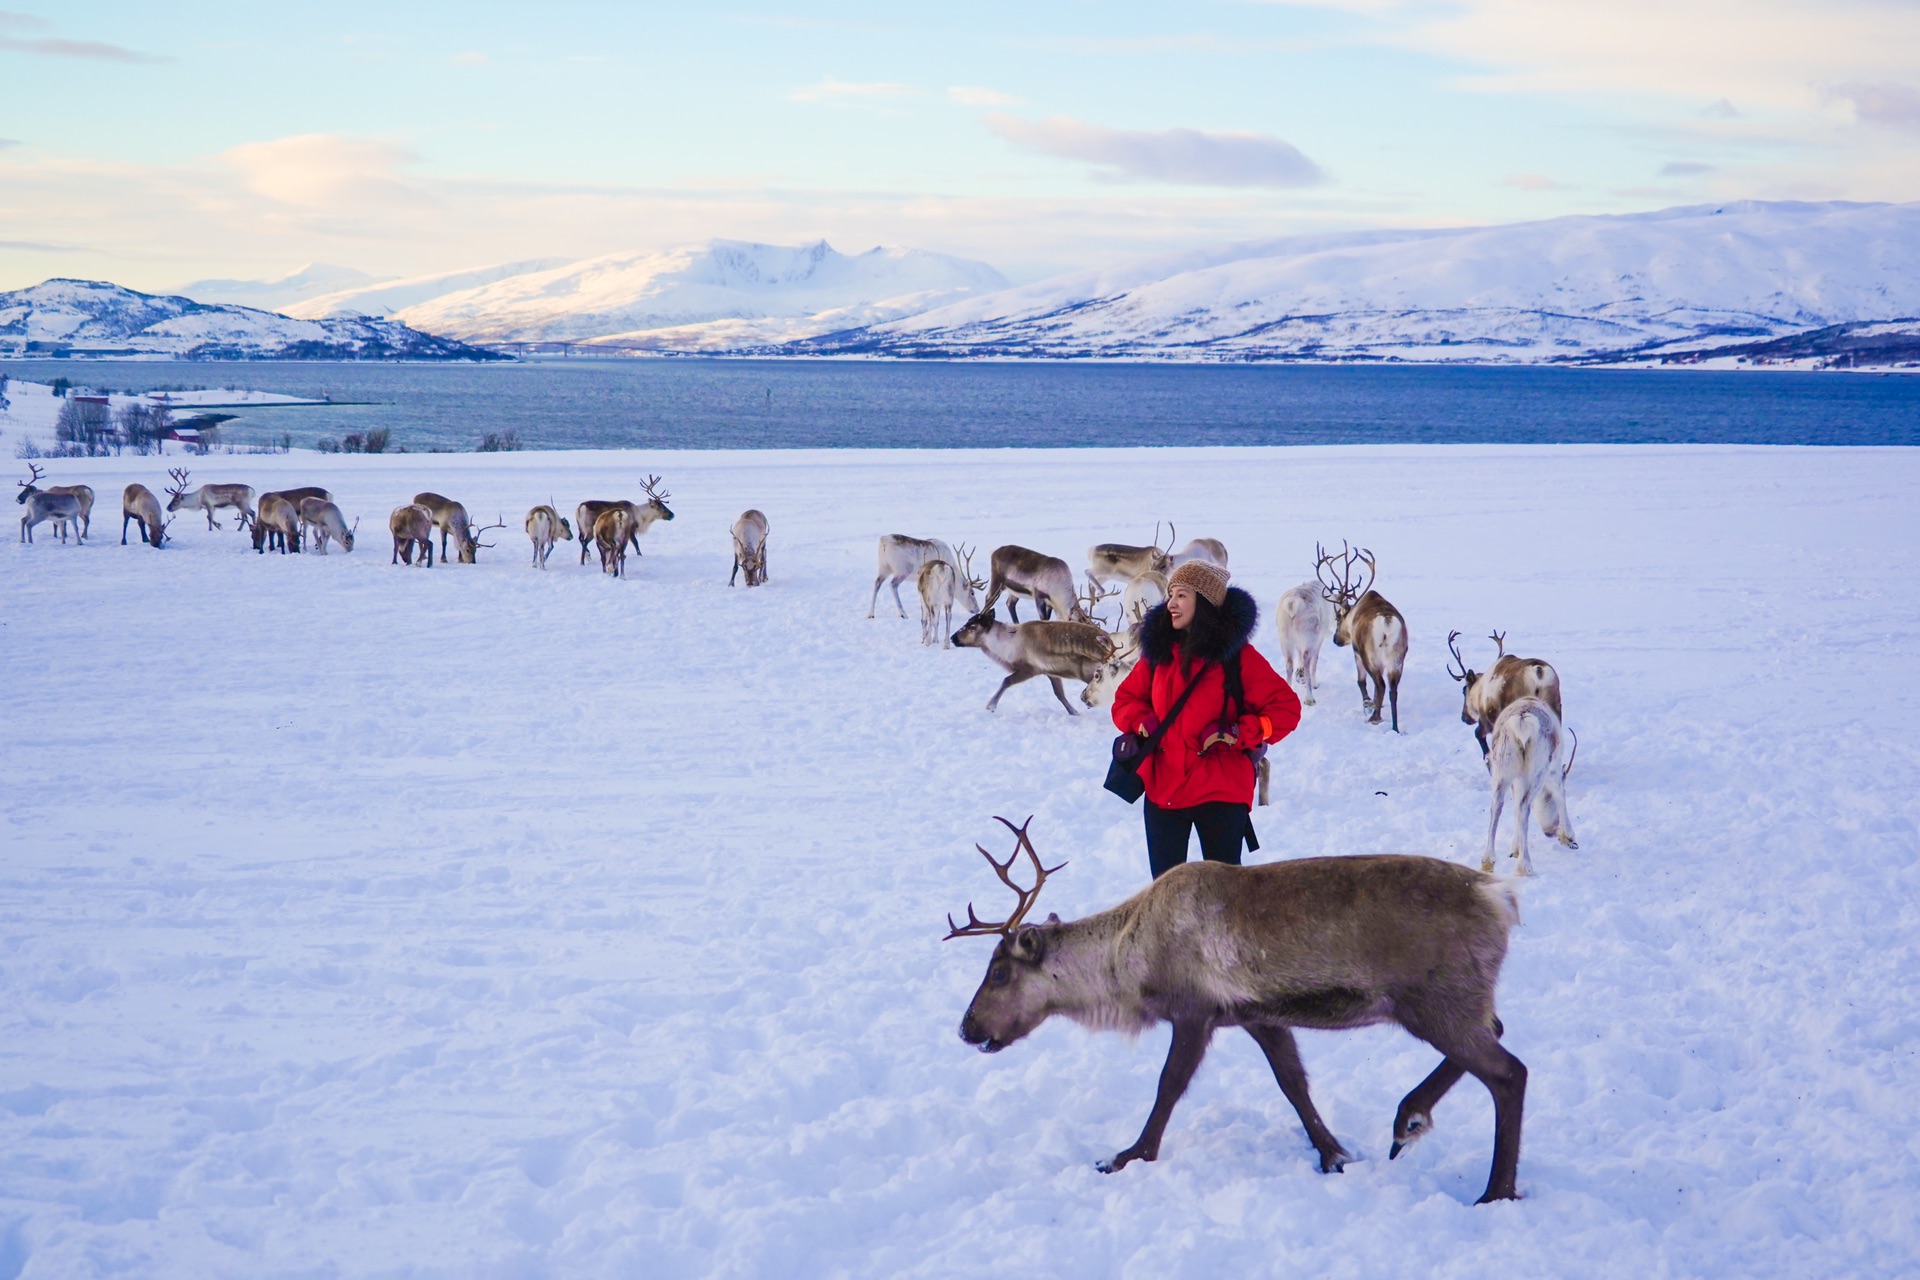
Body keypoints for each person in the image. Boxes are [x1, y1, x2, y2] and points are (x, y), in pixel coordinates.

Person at [1110, 560, 1302, 879]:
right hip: (1163, 791)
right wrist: (1141, 720)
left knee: (1225, 898)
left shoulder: (1238, 658)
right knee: (1165, 898)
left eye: (1181, 595)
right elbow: (1124, 701)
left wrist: (1239, 732)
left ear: (1205, 602)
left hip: (1221, 791)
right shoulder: (1158, 653)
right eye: (1170, 594)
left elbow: (1286, 709)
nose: (1170, 602)